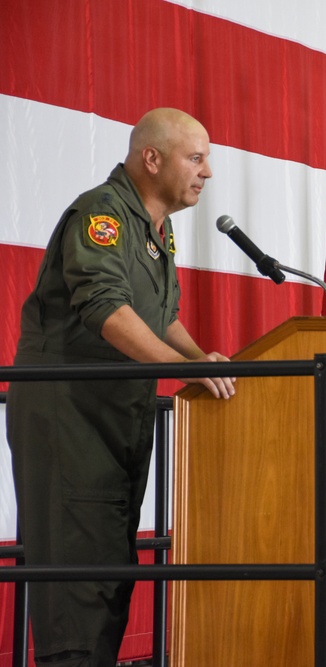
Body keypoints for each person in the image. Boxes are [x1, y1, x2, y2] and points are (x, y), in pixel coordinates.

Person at [5, 108, 236, 667]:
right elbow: (106, 308)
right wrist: (182, 369)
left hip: (115, 419)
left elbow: (160, 315)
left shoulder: (157, 228)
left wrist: (196, 355)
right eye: (196, 158)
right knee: (77, 589)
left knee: (109, 579)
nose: (207, 172)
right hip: (72, 420)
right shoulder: (101, 215)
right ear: (150, 159)